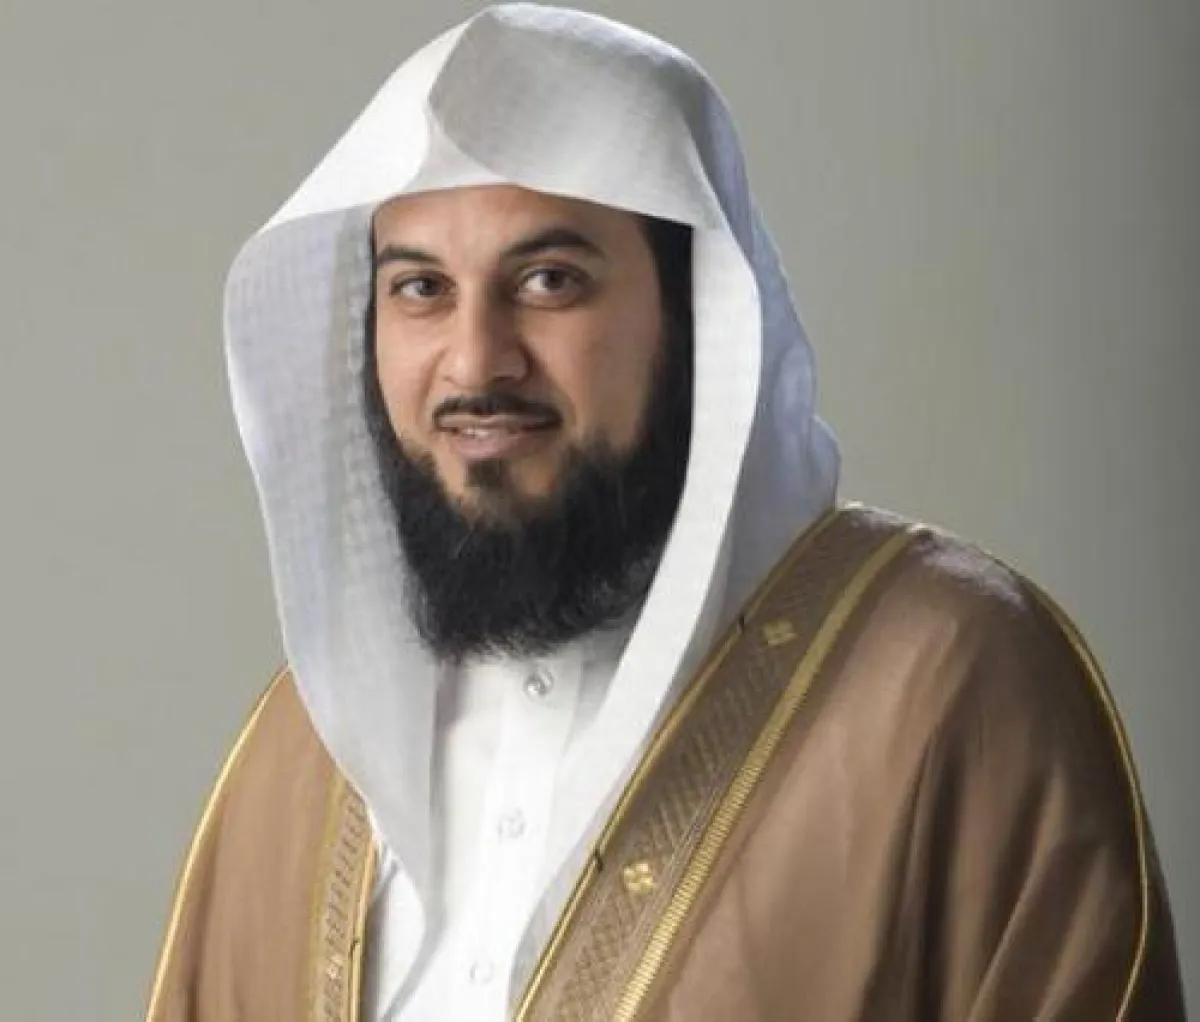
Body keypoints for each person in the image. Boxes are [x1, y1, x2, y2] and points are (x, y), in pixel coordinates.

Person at [146, 5, 1186, 1020]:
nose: (475, 362)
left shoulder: (944, 679)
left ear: (695, 316)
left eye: (549, 280)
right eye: (421, 289)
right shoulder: (304, 752)